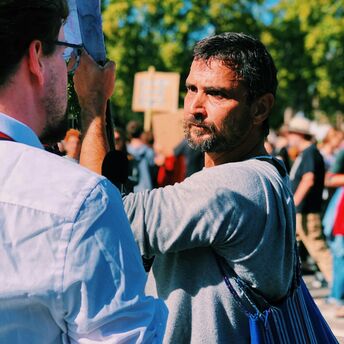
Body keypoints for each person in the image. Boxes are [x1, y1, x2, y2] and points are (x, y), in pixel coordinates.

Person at [80, 32, 296, 343]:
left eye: (216, 94)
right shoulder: (269, 174)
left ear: (260, 108)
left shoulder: (236, 185)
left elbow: (102, 215)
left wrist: (92, 104)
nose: (195, 106)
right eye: (191, 89)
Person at [0, 1, 167, 343]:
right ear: (36, 58)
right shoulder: (78, 202)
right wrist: (93, 109)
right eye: (67, 55)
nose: (70, 70)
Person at [287, 116, 332, 284]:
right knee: (291, 251)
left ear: (299, 134)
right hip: (302, 212)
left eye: (291, 133)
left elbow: (308, 180)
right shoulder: (307, 153)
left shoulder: (310, 153)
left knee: (319, 252)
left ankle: (339, 290)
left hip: (306, 213)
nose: (289, 137)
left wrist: (293, 203)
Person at [126, 120, 156, 192]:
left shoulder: (125, 151)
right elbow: (154, 172)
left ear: (129, 134)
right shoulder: (149, 151)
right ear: (141, 133)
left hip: (130, 191)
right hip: (147, 190)